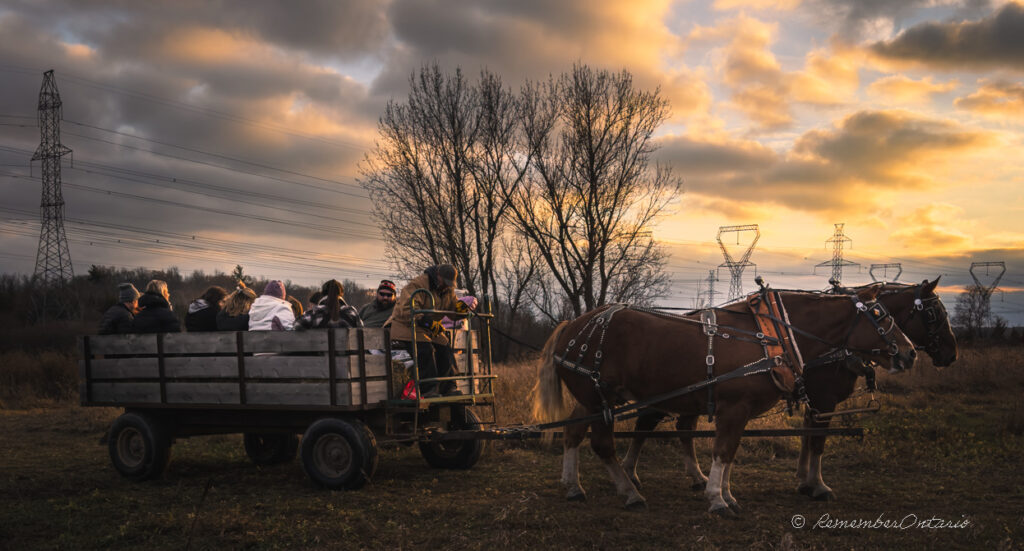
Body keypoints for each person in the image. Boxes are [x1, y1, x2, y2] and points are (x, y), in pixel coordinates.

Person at [387, 264, 474, 397]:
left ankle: (448, 387)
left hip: (427, 330)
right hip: (407, 327)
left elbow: (452, 311)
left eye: (449, 284)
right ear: (438, 276)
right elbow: (406, 309)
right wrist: (427, 322)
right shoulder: (418, 284)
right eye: (444, 282)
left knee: (445, 348)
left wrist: (460, 310)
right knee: (425, 350)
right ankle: (427, 389)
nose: (446, 286)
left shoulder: (448, 289)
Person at [295, 279, 362, 329]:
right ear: (341, 294)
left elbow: (297, 325)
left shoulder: (316, 312)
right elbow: (361, 329)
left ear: (323, 294)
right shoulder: (351, 312)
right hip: (347, 348)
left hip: (321, 347)